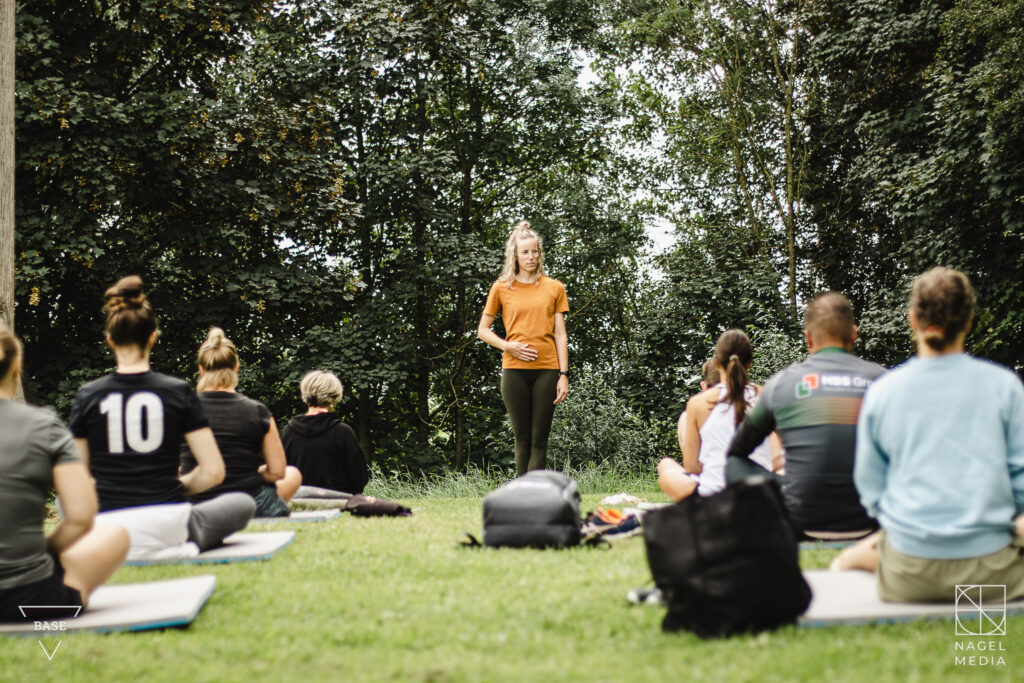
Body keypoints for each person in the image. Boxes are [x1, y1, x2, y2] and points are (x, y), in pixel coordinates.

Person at [832, 267, 1024, 603]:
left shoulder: (883, 392)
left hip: (909, 573)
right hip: (994, 574)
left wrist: (904, 522)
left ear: (912, 320)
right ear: (968, 321)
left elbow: (870, 485)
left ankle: (855, 557)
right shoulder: (1005, 386)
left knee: (875, 548)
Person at [69, 276, 255, 559]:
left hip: (107, 526)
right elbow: (213, 472)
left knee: (62, 501)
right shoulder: (177, 391)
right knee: (242, 503)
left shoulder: (87, 395)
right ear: (153, 337)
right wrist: (174, 487)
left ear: (110, 340)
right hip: (167, 521)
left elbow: (76, 479)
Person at [725, 293, 885, 537]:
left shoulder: (780, 385)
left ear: (808, 337)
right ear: (854, 333)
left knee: (733, 463)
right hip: (869, 520)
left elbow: (738, 451)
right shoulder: (884, 381)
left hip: (799, 521)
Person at [0, 321, 129, 621]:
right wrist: (46, 551)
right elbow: (82, 517)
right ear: (17, 365)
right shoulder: (44, 425)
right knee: (116, 534)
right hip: (28, 598)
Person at [477, 220, 570, 475]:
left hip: (547, 369)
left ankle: (535, 492)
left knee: (540, 437)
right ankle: (522, 491)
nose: (531, 257)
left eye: (535, 251)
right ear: (515, 255)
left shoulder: (555, 287)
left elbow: (560, 335)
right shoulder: (501, 288)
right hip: (514, 369)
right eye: (525, 252)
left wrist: (564, 375)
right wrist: (508, 346)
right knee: (522, 438)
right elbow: (482, 330)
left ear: (540, 253)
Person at [180, 328, 302, 518]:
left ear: (201, 369)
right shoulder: (257, 411)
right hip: (246, 501)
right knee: (292, 473)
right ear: (236, 366)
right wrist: (253, 472)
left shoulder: (182, 410)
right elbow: (277, 472)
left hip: (195, 502)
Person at [657, 330, 777, 501]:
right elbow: (782, 457)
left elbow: (692, 467)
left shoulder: (697, 403)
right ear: (750, 362)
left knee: (666, 466)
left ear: (716, 362)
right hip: (760, 495)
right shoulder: (766, 396)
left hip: (713, 498)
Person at [280, 370, 369, 494]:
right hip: (338, 501)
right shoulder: (342, 432)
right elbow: (360, 477)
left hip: (299, 501)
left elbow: (280, 474)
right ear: (335, 396)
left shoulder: (288, 432)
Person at [676, 359, 720, 456]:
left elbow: (691, 464)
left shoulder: (690, 413)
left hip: (704, 467)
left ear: (703, 385)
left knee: (665, 463)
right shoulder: (747, 403)